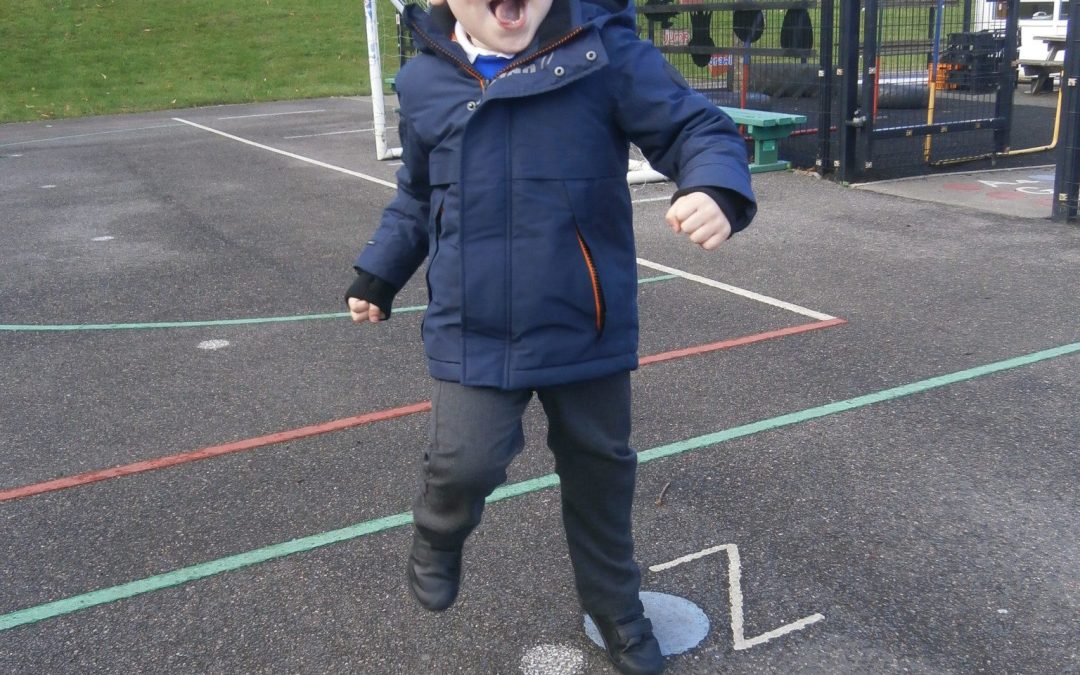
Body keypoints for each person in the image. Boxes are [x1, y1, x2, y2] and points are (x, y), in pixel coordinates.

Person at [346, 0, 755, 669]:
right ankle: (438, 532)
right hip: (473, 325)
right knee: (463, 464)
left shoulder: (603, 53)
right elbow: (418, 194)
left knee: (601, 477)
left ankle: (615, 607)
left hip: (584, 321)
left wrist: (714, 185)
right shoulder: (425, 81)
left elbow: (695, 127)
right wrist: (379, 270)